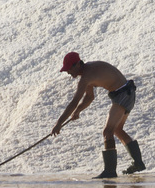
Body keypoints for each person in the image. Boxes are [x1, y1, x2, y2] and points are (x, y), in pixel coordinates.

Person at [50, 51, 144, 179]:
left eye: (69, 69)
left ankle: (110, 171)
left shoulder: (86, 76)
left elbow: (74, 102)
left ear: (77, 64)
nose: (68, 72)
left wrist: (59, 123)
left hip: (123, 94)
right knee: (116, 129)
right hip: (126, 93)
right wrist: (78, 111)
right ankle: (138, 163)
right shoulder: (86, 74)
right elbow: (89, 97)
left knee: (107, 132)